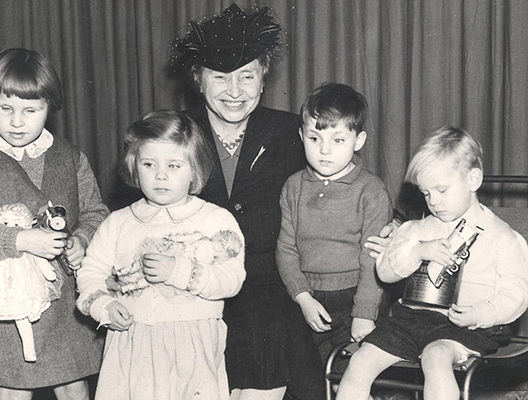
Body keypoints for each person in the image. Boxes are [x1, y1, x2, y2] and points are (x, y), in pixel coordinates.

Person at [173, 5, 400, 400]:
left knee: (274, 341)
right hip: (189, 282)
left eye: (247, 76)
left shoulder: (295, 134)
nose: (234, 90)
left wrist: (394, 228)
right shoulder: (173, 134)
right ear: (198, 79)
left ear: (264, 77)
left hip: (274, 286)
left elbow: (349, 188)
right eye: (220, 77)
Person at [0, 48, 110, 400]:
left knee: (74, 385)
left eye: (30, 110)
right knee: (15, 389)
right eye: (5, 109)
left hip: (64, 300)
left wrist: (82, 238)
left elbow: (97, 212)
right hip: (8, 298)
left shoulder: (70, 156)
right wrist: (21, 240)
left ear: (50, 107)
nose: (16, 122)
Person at [335, 126, 528, 400]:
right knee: (360, 361)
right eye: (426, 193)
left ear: (473, 180)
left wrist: (479, 314)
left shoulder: (503, 237)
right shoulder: (417, 230)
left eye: (441, 190)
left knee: (435, 357)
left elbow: (516, 295)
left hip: (464, 326)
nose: (433, 202)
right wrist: (416, 252)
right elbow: (386, 273)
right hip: (410, 320)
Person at [76, 110, 246, 400]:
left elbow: (232, 280)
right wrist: (102, 305)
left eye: (174, 165)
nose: (161, 175)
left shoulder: (216, 220)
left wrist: (178, 271)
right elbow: (90, 273)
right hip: (132, 343)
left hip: (193, 343)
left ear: (194, 169)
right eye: (149, 164)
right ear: (134, 166)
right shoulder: (119, 222)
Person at [276, 83, 393, 364]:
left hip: (356, 297)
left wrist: (364, 314)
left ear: (359, 140)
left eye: (338, 140)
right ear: (302, 135)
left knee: (347, 375)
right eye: (315, 139)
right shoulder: (293, 187)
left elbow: (372, 258)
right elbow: (286, 249)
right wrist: (303, 298)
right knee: (302, 375)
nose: (324, 151)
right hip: (306, 295)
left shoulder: (371, 191)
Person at [0, 203, 59, 364]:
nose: (10, 227)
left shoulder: (29, 243)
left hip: (20, 283)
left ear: (25, 225)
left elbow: (38, 257)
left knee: (22, 316)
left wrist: (47, 271)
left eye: (16, 223)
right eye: (5, 223)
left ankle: (29, 352)